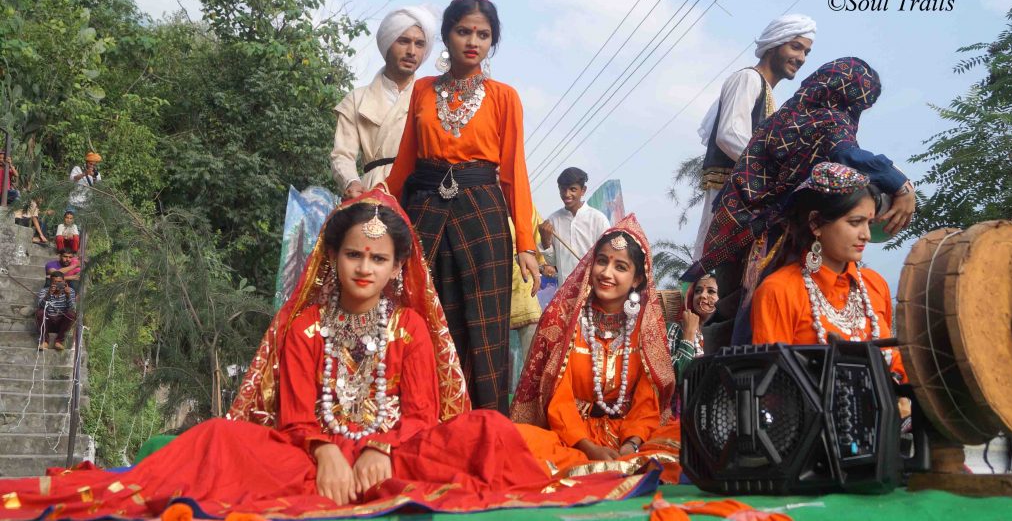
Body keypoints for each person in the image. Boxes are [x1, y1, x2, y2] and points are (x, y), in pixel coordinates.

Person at [0, 191, 644, 519]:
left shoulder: (412, 327)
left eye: (379, 257)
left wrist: (379, 447)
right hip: (310, 462)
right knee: (220, 439)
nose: (365, 266)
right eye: (354, 253)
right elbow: (297, 413)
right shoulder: (306, 325)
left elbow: (423, 414)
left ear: (397, 268)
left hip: (400, 458)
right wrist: (330, 449)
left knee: (490, 429)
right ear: (333, 258)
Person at [686, 57, 917, 349]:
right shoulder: (832, 120)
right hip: (771, 234)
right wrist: (901, 183)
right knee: (762, 308)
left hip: (736, 229)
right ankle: (744, 379)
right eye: (856, 221)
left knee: (735, 312)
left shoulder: (789, 114)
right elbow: (847, 155)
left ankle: (725, 383)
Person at [386, 0, 540, 414]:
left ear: (492, 42)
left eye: (483, 34)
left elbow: (513, 172)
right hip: (425, 209)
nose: (473, 41)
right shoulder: (422, 89)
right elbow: (405, 161)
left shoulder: (504, 96)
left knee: (486, 326)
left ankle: (486, 426)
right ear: (447, 36)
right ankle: (422, 420)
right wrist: (379, 209)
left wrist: (525, 243)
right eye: (464, 31)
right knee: (422, 314)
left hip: (483, 213)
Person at [511, 215, 680, 481]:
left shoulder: (644, 330)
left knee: (685, 440)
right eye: (602, 261)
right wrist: (588, 448)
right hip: (571, 440)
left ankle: (621, 467)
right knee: (516, 440)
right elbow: (559, 399)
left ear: (637, 279)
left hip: (632, 439)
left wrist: (630, 445)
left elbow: (648, 402)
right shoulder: (567, 321)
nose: (606, 273)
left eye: (620, 266)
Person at [751, 162, 905, 381]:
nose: (867, 235)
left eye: (869, 223)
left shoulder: (875, 285)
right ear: (815, 223)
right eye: (855, 222)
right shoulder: (779, 290)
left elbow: (895, 363)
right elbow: (771, 384)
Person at [693, 15, 816, 259]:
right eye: (796, 47)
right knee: (715, 266)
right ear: (774, 44)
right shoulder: (747, 78)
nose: (801, 58)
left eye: (806, 52)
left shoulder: (768, 93)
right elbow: (729, 135)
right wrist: (776, 170)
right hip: (728, 194)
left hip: (747, 197)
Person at [331, 5, 438, 198]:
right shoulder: (356, 99)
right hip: (372, 189)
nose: (411, 51)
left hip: (422, 191)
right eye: (404, 41)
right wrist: (351, 182)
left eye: (420, 44)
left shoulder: (433, 97)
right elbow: (342, 155)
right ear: (388, 43)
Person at [539, 167, 611, 286]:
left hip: (592, 288)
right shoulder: (552, 220)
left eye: (573, 189)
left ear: (583, 190)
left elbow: (608, 257)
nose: (567, 194)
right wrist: (545, 240)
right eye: (563, 189)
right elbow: (552, 262)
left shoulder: (598, 219)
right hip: (565, 291)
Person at [509, 209, 546, 390]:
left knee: (532, 357)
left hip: (525, 288)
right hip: (490, 287)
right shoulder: (481, 198)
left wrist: (545, 265)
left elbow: (539, 244)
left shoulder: (526, 209)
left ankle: (531, 400)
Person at [35, 271, 77, 351]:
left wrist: (68, 296)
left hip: (61, 322)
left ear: (64, 282)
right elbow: (40, 306)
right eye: (55, 282)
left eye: (60, 282)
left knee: (71, 314)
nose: (57, 284)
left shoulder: (70, 291)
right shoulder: (44, 291)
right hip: (48, 321)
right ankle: (45, 341)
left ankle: (59, 341)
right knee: (39, 312)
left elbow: (72, 308)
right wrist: (48, 294)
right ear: (51, 283)